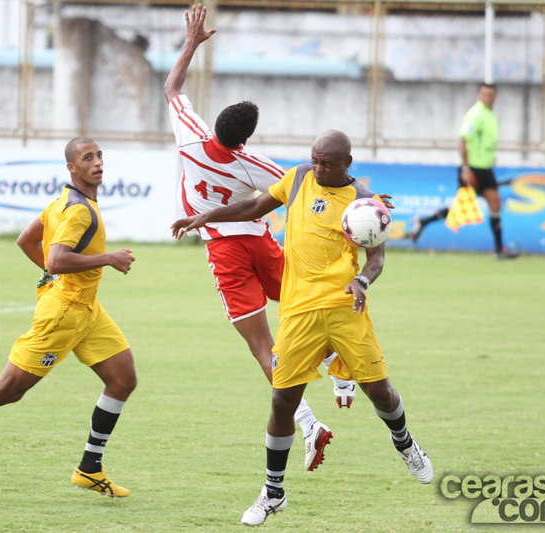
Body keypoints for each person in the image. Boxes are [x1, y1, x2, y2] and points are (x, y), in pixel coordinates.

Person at [172, 130, 433, 527]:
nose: (317, 167)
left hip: (346, 310)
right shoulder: (297, 179)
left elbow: (376, 259)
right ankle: (273, 492)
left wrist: (362, 281)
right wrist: (207, 216)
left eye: (326, 163)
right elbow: (254, 207)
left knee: (379, 391)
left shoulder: (366, 204)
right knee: (282, 400)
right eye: (314, 159)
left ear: (347, 162)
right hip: (297, 314)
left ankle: (405, 442)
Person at [164, 3, 357, 471]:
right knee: (307, 307)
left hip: (225, 249)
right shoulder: (254, 164)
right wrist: (362, 197)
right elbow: (307, 181)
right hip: (261, 242)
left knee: (262, 346)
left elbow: (172, 87)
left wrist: (191, 43)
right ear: (246, 138)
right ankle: (341, 372)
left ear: (215, 126)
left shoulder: (190, 137)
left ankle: (309, 424)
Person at [0, 137, 138, 497]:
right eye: (87, 158)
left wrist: (62, 275)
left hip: (88, 309)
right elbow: (55, 260)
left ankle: (89, 468)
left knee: (123, 379)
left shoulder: (64, 202)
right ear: (72, 168)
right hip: (64, 312)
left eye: (99, 156)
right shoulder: (77, 210)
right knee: (9, 389)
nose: (97, 163)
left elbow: (26, 240)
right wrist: (106, 258)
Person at [408, 83, 519, 260]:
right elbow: (462, 141)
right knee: (461, 207)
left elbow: (483, 143)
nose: (487, 97)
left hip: (485, 168)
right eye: (484, 94)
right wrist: (465, 168)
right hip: (472, 169)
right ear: (479, 95)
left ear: (495, 96)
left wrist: (489, 158)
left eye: (490, 94)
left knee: (495, 204)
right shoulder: (475, 114)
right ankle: (423, 221)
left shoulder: (490, 115)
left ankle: (499, 250)